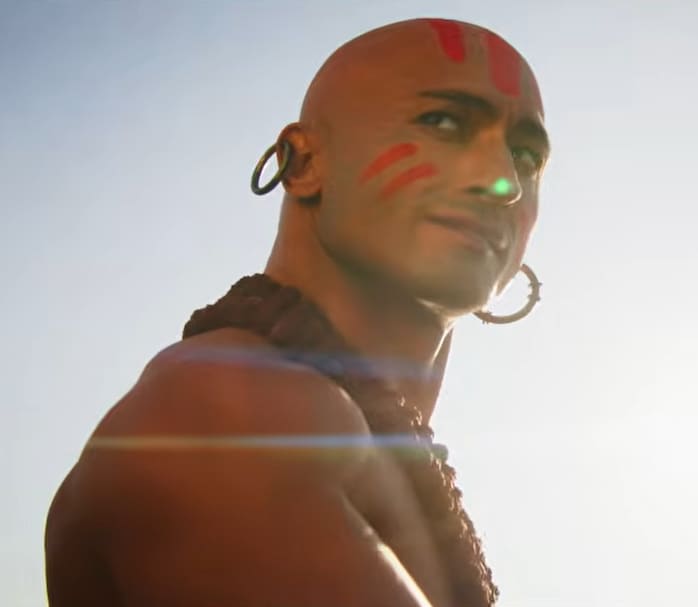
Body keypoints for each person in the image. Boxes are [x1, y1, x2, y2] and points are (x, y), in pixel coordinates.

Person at [44, 17, 549, 607]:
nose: (503, 182)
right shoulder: (220, 412)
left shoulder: (331, 427)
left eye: (525, 155)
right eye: (443, 123)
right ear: (303, 162)